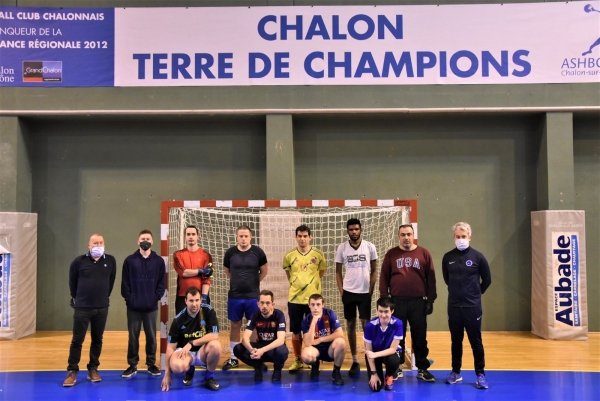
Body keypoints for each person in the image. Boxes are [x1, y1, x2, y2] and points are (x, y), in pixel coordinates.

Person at [379, 224, 437, 382]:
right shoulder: (392, 254)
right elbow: (384, 276)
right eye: (403, 234)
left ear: (413, 235)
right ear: (399, 236)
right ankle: (397, 367)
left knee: (419, 336)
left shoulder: (423, 253)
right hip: (397, 302)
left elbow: (431, 278)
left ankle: (422, 368)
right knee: (397, 336)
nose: (406, 237)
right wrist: (385, 299)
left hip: (418, 302)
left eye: (409, 234)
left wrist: (431, 299)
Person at [442, 222, 492, 389]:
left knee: (475, 341)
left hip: (473, 307)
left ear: (470, 237)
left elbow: (487, 280)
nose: (461, 239)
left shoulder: (478, 257)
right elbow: (447, 280)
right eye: (458, 237)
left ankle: (480, 374)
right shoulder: (448, 258)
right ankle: (455, 372)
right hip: (454, 307)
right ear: (454, 238)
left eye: (464, 236)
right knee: (456, 341)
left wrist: (475, 295)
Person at [63, 234, 117, 387]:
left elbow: (111, 282)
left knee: (97, 339)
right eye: (95, 243)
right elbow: (72, 283)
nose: (98, 245)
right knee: (77, 340)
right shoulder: (78, 262)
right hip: (82, 308)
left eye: (100, 242)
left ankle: (93, 368)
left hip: (101, 308)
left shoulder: (111, 261)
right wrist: (78, 298)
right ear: (89, 245)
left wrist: (102, 298)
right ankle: (72, 371)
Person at [335, 218, 378, 376]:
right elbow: (338, 272)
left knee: (366, 326)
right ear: (347, 231)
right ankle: (354, 360)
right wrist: (342, 291)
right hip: (349, 292)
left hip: (364, 292)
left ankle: (369, 358)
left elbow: (374, 270)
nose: (354, 232)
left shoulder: (369, 247)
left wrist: (371, 290)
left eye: (356, 229)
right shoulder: (342, 248)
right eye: (351, 229)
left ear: (361, 230)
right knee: (351, 326)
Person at [222, 225, 268, 370]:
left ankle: (253, 356)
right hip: (235, 296)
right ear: (237, 237)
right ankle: (233, 358)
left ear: (250, 237)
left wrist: (252, 284)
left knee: (253, 326)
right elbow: (227, 271)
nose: (243, 239)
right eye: (240, 236)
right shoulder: (230, 253)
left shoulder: (258, 252)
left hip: (253, 297)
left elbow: (264, 271)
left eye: (246, 236)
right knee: (235, 325)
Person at [121, 229, 166, 378]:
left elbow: (161, 283)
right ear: (138, 241)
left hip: (151, 307)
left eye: (147, 238)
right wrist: (130, 299)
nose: (145, 241)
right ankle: (132, 365)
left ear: (152, 241)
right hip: (133, 307)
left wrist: (155, 298)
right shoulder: (129, 260)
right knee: (133, 337)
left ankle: (151, 364)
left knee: (151, 336)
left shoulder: (159, 261)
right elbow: (125, 284)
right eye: (142, 239)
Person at [283, 224, 327, 372]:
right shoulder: (289, 256)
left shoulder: (318, 254)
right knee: (295, 330)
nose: (302, 239)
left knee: (313, 329)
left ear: (310, 237)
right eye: (299, 236)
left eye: (305, 236)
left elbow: (321, 272)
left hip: (312, 301)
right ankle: (298, 359)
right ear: (296, 237)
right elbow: (289, 275)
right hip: (294, 299)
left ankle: (312, 358)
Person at [161, 286, 221, 392]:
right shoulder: (178, 319)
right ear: (186, 301)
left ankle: (209, 377)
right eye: (191, 301)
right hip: (185, 353)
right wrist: (167, 374)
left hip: (202, 351)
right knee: (176, 367)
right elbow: (170, 347)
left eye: (197, 300)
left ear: (201, 300)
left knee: (216, 346)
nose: (194, 304)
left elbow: (214, 335)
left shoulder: (208, 311)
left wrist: (192, 343)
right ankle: (190, 369)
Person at [233, 289, 289, 382]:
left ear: (272, 304)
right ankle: (258, 366)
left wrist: (262, 351)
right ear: (258, 304)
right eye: (262, 303)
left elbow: (280, 340)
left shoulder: (279, 315)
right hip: (260, 347)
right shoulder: (255, 315)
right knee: (238, 349)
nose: (265, 306)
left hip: (273, 349)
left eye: (267, 303)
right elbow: (245, 338)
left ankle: (277, 369)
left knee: (282, 351)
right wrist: (252, 350)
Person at [301, 294, 346, 385]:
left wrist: (321, 339)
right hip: (315, 350)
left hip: (329, 349)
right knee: (306, 355)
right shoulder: (306, 320)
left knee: (341, 342)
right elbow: (307, 343)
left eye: (318, 304)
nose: (315, 308)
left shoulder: (329, 314)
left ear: (323, 305)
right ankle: (315, 365)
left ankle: (336, 372)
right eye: (313, 305)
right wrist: (313, 322)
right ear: (309, 305)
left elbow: (340, 333)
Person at [364, 297, 403, 392]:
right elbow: (369, 352)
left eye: (386, 311)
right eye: (380, 311)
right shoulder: (369, 326)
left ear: (392, 311)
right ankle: (377, 374)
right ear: (377, 311)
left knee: (393, 360)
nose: (383, 315)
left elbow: (393, 349)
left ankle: (389, 376)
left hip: (389, 353)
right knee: (376, 388)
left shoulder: (398, 324)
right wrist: (373, 373)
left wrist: (375, 354)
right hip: (373, 355)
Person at [172, 225, 213, 314]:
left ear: (198, 236)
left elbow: (206, 278)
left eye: (193, 234)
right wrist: (201, 271)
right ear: (184, 236)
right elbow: (183, 272)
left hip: (200, 297)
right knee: (183, 326)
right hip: (183, 297)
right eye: (188, 234)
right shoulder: (177, 255)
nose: (191, 237)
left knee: (201, 326)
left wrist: (204, 297)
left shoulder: (206, 255)